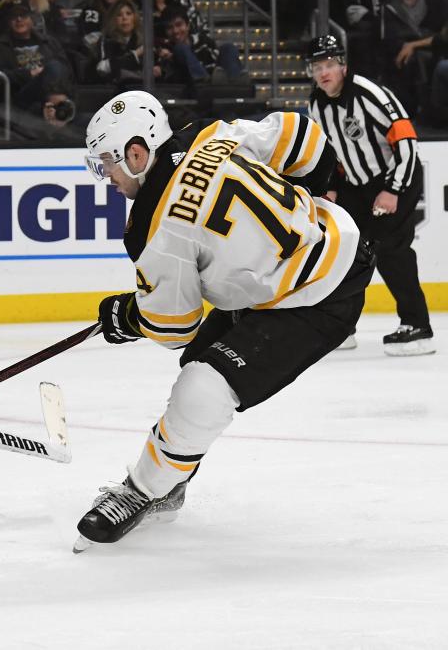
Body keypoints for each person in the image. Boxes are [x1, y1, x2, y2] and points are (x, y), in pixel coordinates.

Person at [73, 90, 374, 551]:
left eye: (106, 164)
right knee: (200, 360)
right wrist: (314, 187)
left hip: (316, 299)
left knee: (202, 387)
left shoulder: (155, 229)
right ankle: (172, 477)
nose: (106, 177)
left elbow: (173, 326)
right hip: (331, 242)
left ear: (136, 153)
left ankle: (146, 491)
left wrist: (127, 316)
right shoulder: (209, 134)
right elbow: (303, 138)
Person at [306, 34, 435, 356]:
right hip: (356, 186)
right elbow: (329, 152)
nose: (325, 72)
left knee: (392, 251)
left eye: (331, 65)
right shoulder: (316, 103)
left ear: (344, 66)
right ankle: (343, 326)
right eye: (318, 66)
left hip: (395, 178)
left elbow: (406, 140)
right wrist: (332, 186)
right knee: (347, 253)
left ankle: (417, 325)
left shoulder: (369, 94)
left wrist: (392, 190)